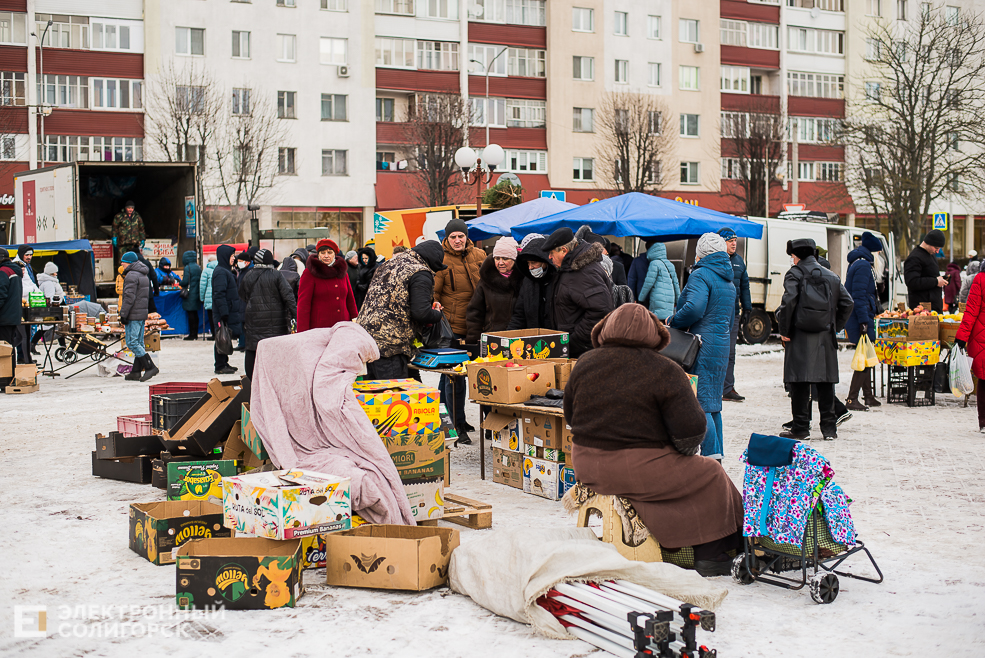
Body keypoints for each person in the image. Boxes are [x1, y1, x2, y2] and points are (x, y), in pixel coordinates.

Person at [565, 304, 744, 578]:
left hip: (586, 464)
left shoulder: (584, 363)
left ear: (607, 328)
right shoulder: (665, 369)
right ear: (654, 334)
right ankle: (712, 553)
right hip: (634, 467)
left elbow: (569, 416)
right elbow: (693, 431)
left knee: (673, 473)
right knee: (711, 473)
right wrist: (679, 450)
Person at [667, 233, 736, 461]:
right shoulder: (727, 278)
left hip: (701, 345)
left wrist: (674, 321)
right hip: (720, 344)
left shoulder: (701, 274)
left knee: (701, 403)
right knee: (714, 404)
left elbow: (694, 308)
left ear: (701, 253)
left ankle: (711, 459)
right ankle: (718, 456)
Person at [776, 239, 853, 441]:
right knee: (826, 381)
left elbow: (788, 302)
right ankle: (829, 429)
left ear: (797, 256)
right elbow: (848, 302)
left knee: (799, 382)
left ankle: (801, 428)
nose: (792, 259)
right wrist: (834, 325)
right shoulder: (832, 276)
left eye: (792, 255)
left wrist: (784, 329)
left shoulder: (795, 273)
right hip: (825, 336)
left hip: (799, 335)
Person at [357, 241, 446, 379]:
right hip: (391, 346)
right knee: (393, 396)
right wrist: (436, 314)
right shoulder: (420, 271)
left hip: (365, 340)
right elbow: (421, 312)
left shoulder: (388, 264)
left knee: (373, 395)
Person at [433, 219, 484, 442]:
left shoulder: (479, 256)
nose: (457, 240)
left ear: (466, 237)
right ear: (447, 238)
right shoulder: (441, 259)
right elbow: (433, 293)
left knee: (457, 376)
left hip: (475, 326)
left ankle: (453, 420)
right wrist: (434, 308)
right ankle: (455, 425)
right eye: (453, 237)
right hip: (451, 328)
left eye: (460, 236)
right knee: (453, 377)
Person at [542, 227, 614, 358]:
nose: (549, 257)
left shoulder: (584, 272)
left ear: (564, 250)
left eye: (552, 253)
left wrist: (574, 341)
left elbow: (601, 311)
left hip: (583, 352)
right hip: (576, 349)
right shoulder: (570, 269)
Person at [240, 249, 297, 380]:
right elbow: (289, 297)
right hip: (275, 323)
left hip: (253, 320)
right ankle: (273, 379)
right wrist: (294, 315)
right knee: (274, 351)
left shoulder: (248, 275)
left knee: (252, 348)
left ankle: (252, 379)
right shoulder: (276, 275)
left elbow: (242, 295)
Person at [844, 233, 884, 411]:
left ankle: (868, 396)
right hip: (861, 316)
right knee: (864, 356)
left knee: (867, 355)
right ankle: (852, 399)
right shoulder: (863, 265)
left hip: (860, 315)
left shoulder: (857, 262)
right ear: (872, 252)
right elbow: (858, 296)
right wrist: (863, 321)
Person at [717, 228, 752, 402]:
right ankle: (713, 385)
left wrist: (748, 308)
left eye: (735, 240)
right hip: (717, 313)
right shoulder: (715, 260)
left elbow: (745, 286)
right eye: (730, 240)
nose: (733, 243)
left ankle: (727, 388)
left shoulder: (739, 261)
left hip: (733, 313)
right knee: (715, 351)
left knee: (730, 352)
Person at [465, 237, 519, 344]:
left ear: (514, 259)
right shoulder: (486, 281)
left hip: (519, 337)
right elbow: (475, 312)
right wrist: (474, 339)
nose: (500, 262)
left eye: (505, 258)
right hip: (493, 337)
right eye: (497, 258)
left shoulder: (523, 279)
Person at [297, 239, 357, 333]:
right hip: (320, 328)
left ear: (335, 254)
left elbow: (350, 298)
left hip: (343, 326)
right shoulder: (309, 273)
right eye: (322, 252)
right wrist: (302, 332)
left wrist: (355, 319)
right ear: (318, 254)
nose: (326, 255)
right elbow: (303, 305)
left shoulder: (342, 272)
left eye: (329, 252)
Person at [119, 251, 159, 382]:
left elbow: (129, 297)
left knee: (132, 342)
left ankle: (150, 366)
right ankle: (135, 372)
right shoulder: (143, 274)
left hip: (133, 314)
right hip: (141, 313)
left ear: (128, 263)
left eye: (123, 262)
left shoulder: (131, 275)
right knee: (139, 342)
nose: (122, 265)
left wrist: (123, 314)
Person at [955, 266, 985, 431]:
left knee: (984, 380)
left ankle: (984, 422)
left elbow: (971, 311)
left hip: (980, 337)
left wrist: (961, 337)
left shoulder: (980, 279)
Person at [507, 236, 556, 330]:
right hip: (534, 339)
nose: (530, 267)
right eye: (528, 263)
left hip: (557, 338)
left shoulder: (558, 279)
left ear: (545, 261)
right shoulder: (528, 282)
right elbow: (519, 315)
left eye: (534, 262)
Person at [211, 244, 242, 375]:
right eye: (231, 256)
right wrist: (224, 312)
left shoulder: (225, 270)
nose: (233, 258)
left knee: (225, 335)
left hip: (228, 309)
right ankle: (220, 365)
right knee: (221, 336)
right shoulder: (220, 272)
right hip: (223, 311)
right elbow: (219, 293)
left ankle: (224, 361)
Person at [903, 229, 946, 313]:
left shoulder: (930, 255)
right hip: (922, 310)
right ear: (928, 243)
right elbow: (912, 282)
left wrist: (942, 280)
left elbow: (930, 275)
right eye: (936, 248)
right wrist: (936, 281)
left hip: (933, 308)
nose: (937, 251)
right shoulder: (914, 257)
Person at [636, 241, 680, 320]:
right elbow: (676, 284)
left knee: (656, 321)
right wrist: (678, 300)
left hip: (658, 298)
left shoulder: (654, 263)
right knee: (666, 320)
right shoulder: (670, 264)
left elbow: (648, 283)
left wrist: (641, 298)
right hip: (670, 298)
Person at [30, 262, 67, 353]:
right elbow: (50, 297)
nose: (56, 273)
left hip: (53, 307)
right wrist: (57, 303)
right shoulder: (49, 283)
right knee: (51, 327)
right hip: (54, 308)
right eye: (55, 272)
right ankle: (63, 347)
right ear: (51, 273)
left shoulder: (50, 281)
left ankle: (63, 347)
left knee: (54, 327)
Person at [0, 250, 25, 362]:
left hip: (4, 316)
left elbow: (1, 294)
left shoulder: (3, 271)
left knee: (4, 348)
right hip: (13, 315)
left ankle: (6, 376)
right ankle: (11, 374)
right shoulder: (14, 270)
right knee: (9, 346)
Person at [179, 251, 202, 341]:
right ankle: (195, 333)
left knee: (190, 314)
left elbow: (185, 281)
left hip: (189, 294)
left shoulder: (187, 268)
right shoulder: (198, 267)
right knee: (195, 314)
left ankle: (192, 334)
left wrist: (180, 282)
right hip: (197, 293)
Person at [199, 256, 218, 339]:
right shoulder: (219, 269)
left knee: (211, 317)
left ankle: (214, 334)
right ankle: (219, 333)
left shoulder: (206, 271)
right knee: (217, 317)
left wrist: (202, 298)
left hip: (209, 297)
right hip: (217, 297)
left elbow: (202, 286)